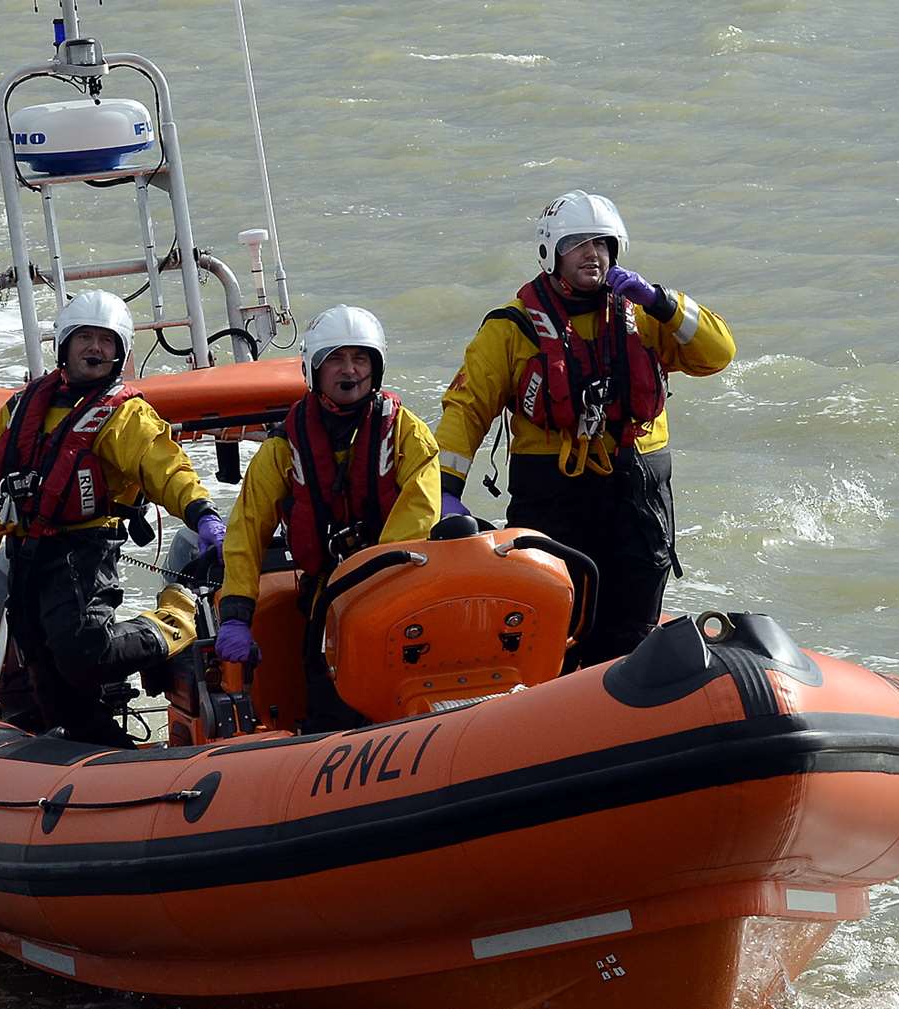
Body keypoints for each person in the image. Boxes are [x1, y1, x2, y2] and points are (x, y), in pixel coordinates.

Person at [435, 190, 736, 668]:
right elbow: (466, 409)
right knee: (553, 616)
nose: (592, 253)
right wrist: (446, 493)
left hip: (637, 488)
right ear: (552, 252)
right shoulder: (511, 329)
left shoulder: (645, 316)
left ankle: (629, 705)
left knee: (633, 619)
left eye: (602, 243)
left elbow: (718, 353)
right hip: (555, 495)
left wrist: (659, 300)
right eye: (578, 243)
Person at [0, 290, 226, 746]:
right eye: (86, 339)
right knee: (50, 680)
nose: (96, 349)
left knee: (87, 655)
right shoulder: (20, 410)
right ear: (64, 345)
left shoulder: (123, 415)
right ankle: (106, 752)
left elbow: (164, 468)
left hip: (82, 553)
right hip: (26, 554)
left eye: (107, 341)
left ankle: (180, 615)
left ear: (119, 353)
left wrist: (202, 515)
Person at [214, 305, 439, 730]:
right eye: (335, 358)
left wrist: (373, 588)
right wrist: (237, 616)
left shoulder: (408, 434)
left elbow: (420, 513)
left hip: (397, 594)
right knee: (329, 702)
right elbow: (246, 531)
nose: (349, 370)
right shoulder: (283, 449)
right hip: (326, 599)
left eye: (360, 358)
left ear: (377, 366)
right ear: (313, 369)